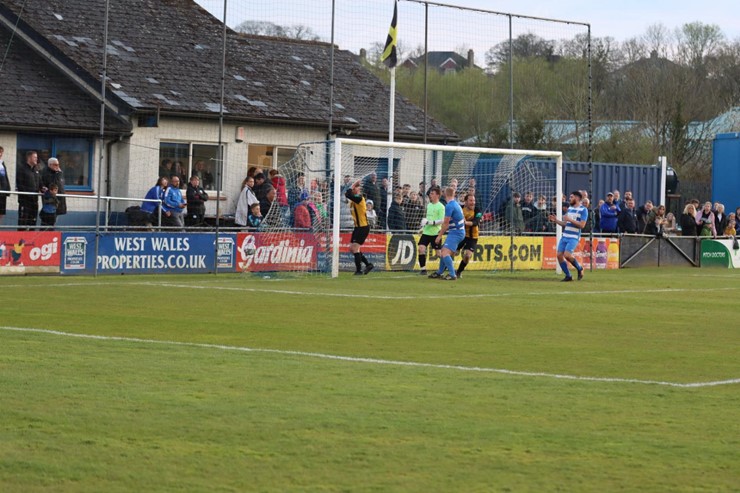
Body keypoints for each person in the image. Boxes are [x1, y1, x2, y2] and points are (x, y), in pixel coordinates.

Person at [549, 191, 588, 282]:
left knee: (567, 255)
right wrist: (556, 221)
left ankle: (580, 268)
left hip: (574, 237)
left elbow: (582, 225)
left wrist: (570, 219)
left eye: (571, 197)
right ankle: (568, 276)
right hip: (565, 235)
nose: (570, 199)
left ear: (577, 198)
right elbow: (566, 224)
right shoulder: (570, 208)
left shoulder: (583, 210)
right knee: (559, 255)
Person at [428, 186, 465, 281]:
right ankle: (439, 272)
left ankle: (453, 274)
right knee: (444, 250)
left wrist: (439, 235)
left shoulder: (449, 206)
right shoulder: (456, 204)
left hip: (456, 232)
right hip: (458, 231)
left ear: (445, 194)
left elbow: (446, 223)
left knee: (444, 252)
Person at [345, 179, 373, 275]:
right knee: (352, 249)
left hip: (363, 227)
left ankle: (358, 270)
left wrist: (352, 185)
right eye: (355, 188)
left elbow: (348, 194)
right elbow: (347, 195)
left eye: (357, 188)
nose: (355, 189)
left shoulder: (360, 198)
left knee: (355, 248)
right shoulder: (353, 201)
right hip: (357, 228)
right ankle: (368, 264)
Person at [417, 185, 445, 275]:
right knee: (421, 248)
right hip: (426, 232)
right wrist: (422, 228)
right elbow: (427, 220)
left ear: (437, 195)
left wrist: (430, 222)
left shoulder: (441, 207)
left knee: (439, 253)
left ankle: (448, 266)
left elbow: (442, 220)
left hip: (436, 233)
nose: (430, 195)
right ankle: (423, 269)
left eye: (432, 194)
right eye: (430, 194)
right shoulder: (429, 205)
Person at [455, 193, 482, 279]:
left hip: (473, 237)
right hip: (461, 235)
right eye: (470, 200)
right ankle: (443, 270)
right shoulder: (461, 209)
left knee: (467, 256)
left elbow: (476, 222)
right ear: (466, 202)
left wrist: (466, 222)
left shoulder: (478, 210)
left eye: (474, 200)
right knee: (452, 253)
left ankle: (458, 272)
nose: (473, 202)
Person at [16, 150, 42, 230]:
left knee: (33, 222)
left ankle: (31, 241)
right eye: (35, 157)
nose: (36, 159)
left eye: (37, 158)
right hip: (25, 201)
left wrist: (43, 188)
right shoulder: (22, 169)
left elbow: (40, 183)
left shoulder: (36, 170)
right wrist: (29, 194)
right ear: (29, 158)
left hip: (34, 201)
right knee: (23, 222)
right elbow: (20, 185)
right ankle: (20, 240)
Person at [0, 146, 10, 224]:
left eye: (1, 152)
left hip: (3, 191)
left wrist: (8, 188)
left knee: (1, 212)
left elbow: (5, 176)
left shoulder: (2, 163)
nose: (0, 154)